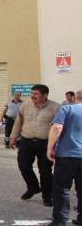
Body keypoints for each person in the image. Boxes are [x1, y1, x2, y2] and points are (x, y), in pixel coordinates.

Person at [10, 84, 61, 207]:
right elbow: (18, 123)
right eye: (32, 93)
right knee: (24, 166)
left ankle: (47, 195)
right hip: (26, 141)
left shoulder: (56, 107)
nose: (32, 96)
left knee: (45, 170)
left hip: (45, 143)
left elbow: (60, 127)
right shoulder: (25, 106)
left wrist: (56, 145)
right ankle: (33, 187)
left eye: (36, 94)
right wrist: (13, 137)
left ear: (45, 95)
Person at [47, 90, 82, 226]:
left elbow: (57, 127)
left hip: (67, 154)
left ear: (74, 98)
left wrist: (50, 148)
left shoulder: (67, 109)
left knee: (62, 187)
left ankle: (60, 220)